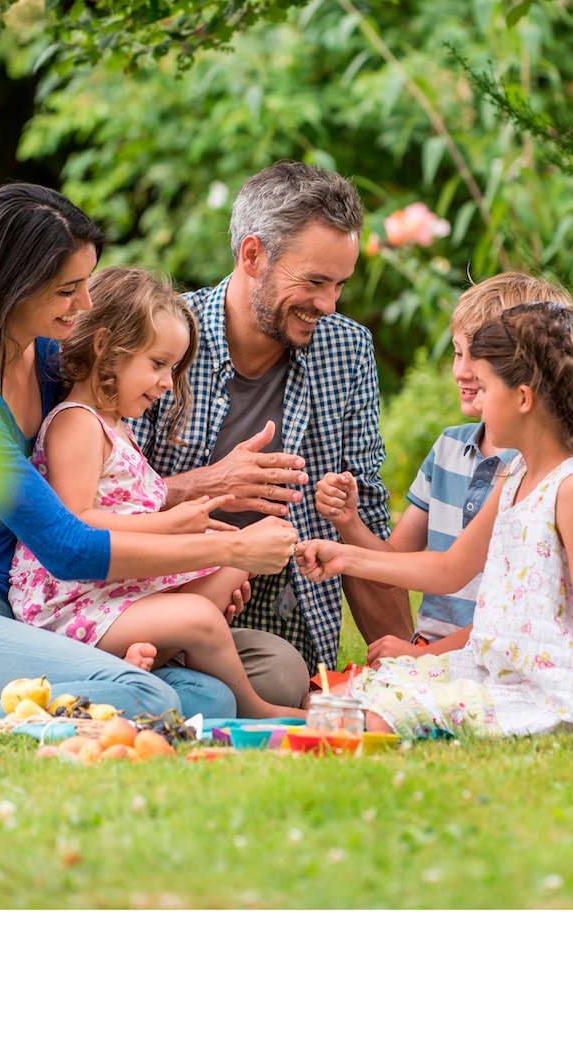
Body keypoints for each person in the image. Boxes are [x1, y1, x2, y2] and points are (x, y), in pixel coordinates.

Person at [0, 184, 297, 721]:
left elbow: (112, 495)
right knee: (149, 698)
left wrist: (194, 552)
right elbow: (68, 546)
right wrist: (226, 552)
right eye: (68, 289)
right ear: (12, 288)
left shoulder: (46, 363)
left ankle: (39, 692)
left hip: (22, 617)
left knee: (212, 699)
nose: (86, 305)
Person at [297, 304, 573, 745]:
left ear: (524, 398)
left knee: (372, 719)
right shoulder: (516, 476)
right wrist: (344, 556)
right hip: (495, 670)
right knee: (353, 692)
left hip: (548, 698)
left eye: (487, 387)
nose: (477, 398)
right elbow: (449, 568)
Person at [131, 162, 394, 709]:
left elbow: (365, 522)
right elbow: (98, 498)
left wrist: (401, 659)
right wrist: (210, 484)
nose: (329, 305)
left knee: (281, 677)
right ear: (252, 256)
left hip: (278, 622)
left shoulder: (346, 351)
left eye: (340, 284)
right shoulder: (163, 336)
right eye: (315, 282)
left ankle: (172, 692)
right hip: (150, 598)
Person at [8, 267, 293, 718]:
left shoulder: (118, 427)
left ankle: (145, 659)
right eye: (157, 364)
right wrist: (170, 524)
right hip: (71, 601)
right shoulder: (76, 424)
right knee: (199, 616)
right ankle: (255, 707)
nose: (166, 381)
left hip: (112, 588)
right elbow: (75, 523)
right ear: (105, 347)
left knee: (232, 571)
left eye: (174, 368)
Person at [315, 272, 573, 648]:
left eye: (479, 359)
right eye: (457, 351)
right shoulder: (449, 449)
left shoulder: (536, 474)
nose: (462, 371)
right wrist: (348, 522)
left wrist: (423, 657)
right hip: (431, 649)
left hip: (490, 655)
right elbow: (395, 568)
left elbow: (513, 617)